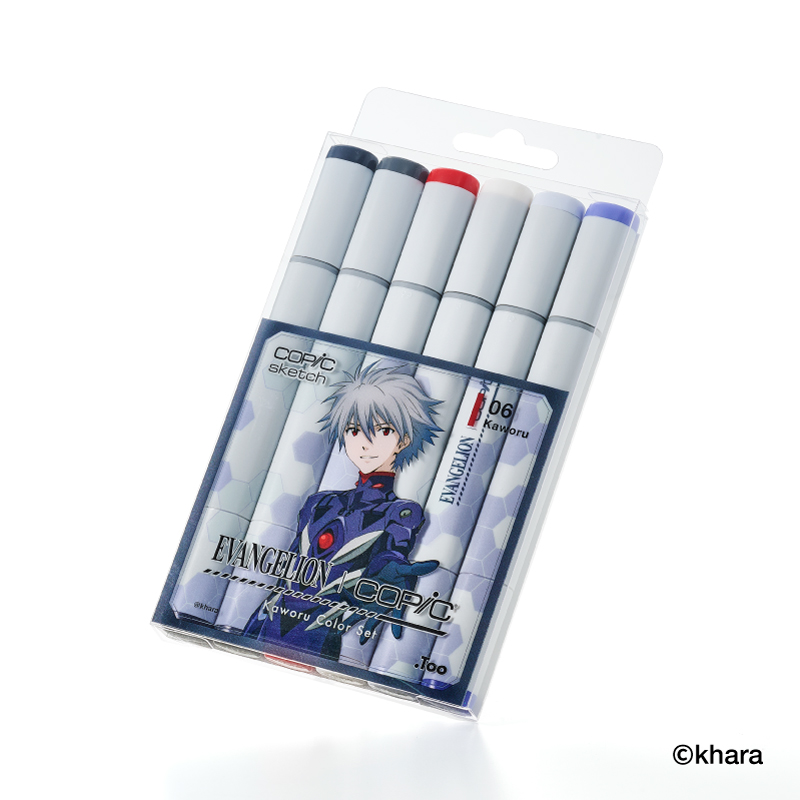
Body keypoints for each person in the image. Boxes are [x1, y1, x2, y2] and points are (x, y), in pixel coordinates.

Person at [242, 361, 441, 660]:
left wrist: (388, 576)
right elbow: (288, 569)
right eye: (354, 430)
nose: (366, 443)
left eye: (383, 430)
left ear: (403, 441)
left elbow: (391, 554)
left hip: (321, 634)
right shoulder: (319, 502)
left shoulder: (401, 512)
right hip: (267, 621)